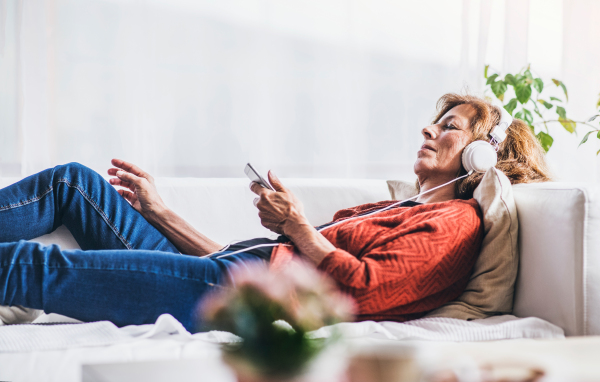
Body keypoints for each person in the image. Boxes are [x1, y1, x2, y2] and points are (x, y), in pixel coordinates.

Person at [0, 94, 551, 332]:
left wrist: (298, 226)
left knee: (34, 266)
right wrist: (160, 211)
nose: (429, 129)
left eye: (450, 125)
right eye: (437, 120)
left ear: (481, 156)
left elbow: (362, 293)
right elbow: (241, 257)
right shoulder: (393, 207)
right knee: (75, 183)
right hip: (231, 273)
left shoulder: (454, 224)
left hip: (230, 295)